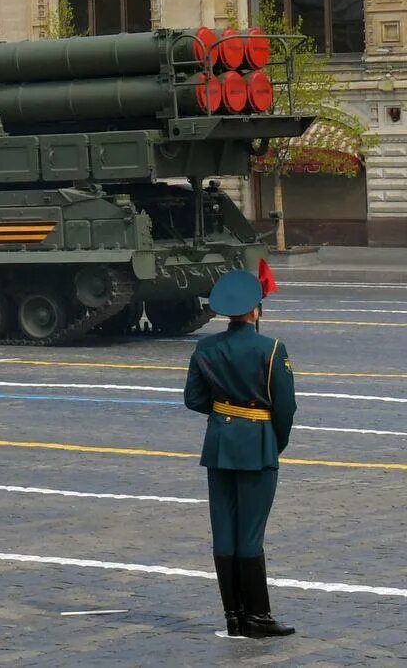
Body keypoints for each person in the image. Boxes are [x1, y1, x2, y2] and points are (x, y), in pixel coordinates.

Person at [183, 268, 297, 639]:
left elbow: (194, 399)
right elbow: (285, 409)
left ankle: (233, 616)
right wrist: (270, 441)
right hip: (257, 445)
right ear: (255, 311)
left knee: (225, 532)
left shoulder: (205, 349)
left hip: (218, 446)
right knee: (250, 533)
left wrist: (226, 416)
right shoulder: (272, 349)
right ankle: (258, 617)